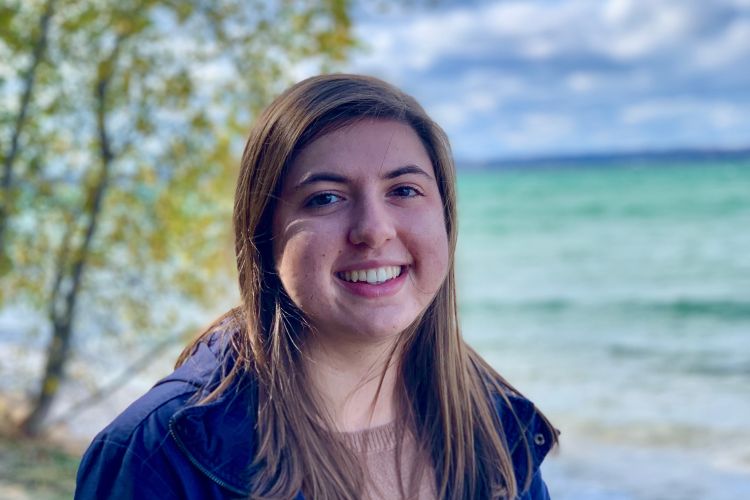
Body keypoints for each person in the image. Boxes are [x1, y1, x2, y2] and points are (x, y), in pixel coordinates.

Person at [75, 74, 558, 499]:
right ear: (264, 235)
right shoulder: (157, 455)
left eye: (404, 191)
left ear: (446, 219)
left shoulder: (498, 431)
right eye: (325, 198)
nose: (374, 229)